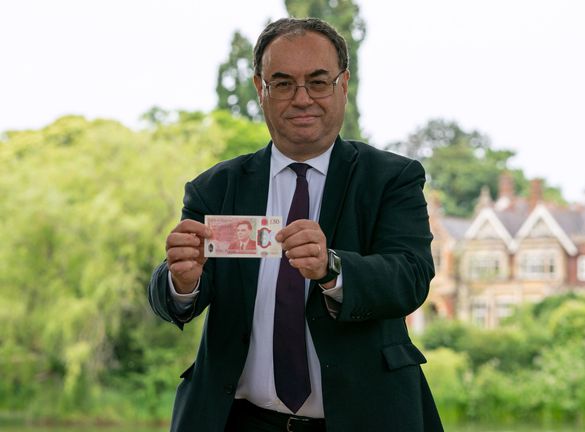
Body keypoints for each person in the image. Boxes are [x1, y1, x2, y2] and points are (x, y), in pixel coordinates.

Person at [147, 17, 442, 432]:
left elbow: (410, 278)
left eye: (318, 82)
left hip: (367, 418)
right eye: (283, 84)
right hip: (236, 422)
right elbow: (169, 297)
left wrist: (332, 268)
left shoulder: (391, 178)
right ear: (259, 89)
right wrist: (183, 282)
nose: (301, 98)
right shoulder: (215, 188)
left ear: (343, 84)